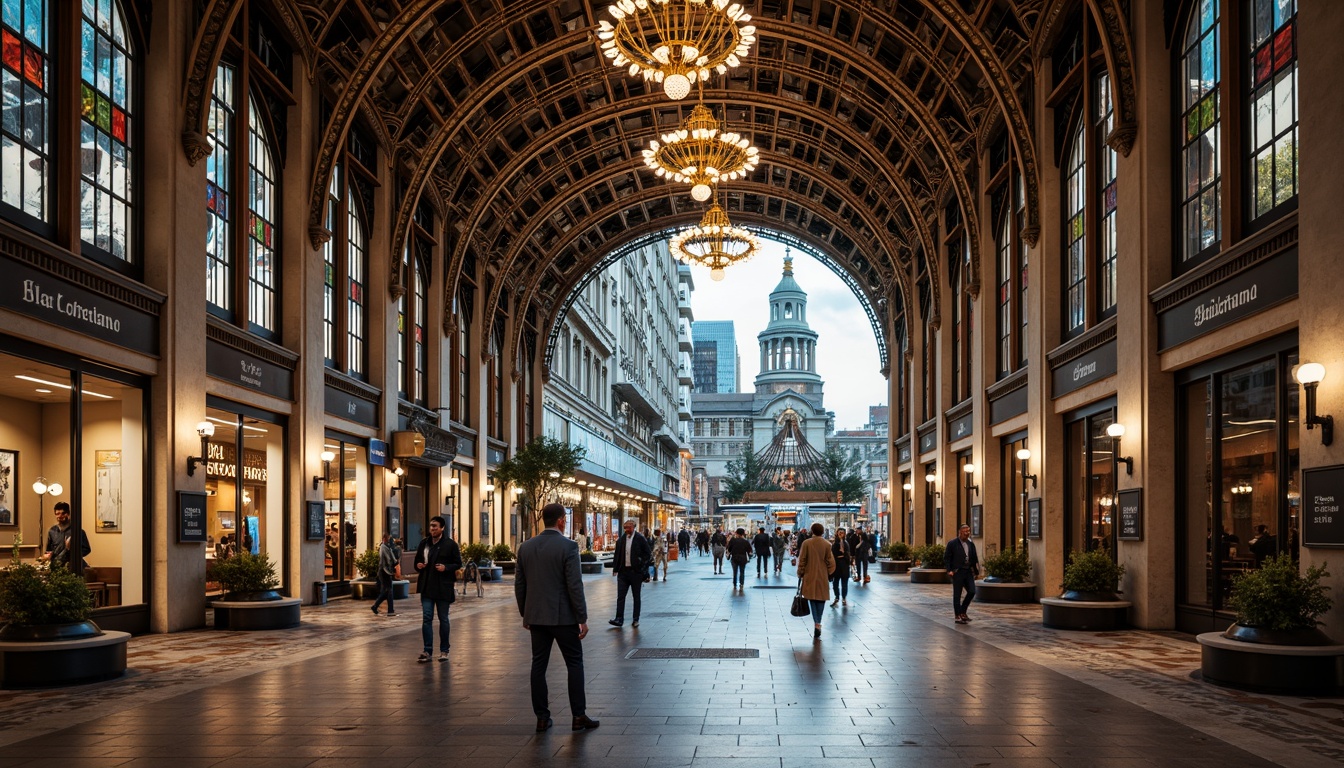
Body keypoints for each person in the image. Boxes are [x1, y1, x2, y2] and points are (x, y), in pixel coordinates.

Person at [515, 502, 600, 733]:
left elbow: (520, 585)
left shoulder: (525, 547)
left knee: (538, 666)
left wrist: (526, 614)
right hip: (564, 618)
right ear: (562, 520)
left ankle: (542, 718)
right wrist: (582, 617)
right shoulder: (568, 546)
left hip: (537, 618)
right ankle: (578, 716)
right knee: (574, 663)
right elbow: (575, 585)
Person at [413, 515, 463, 662]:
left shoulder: (450, 545)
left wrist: (446, 567)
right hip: (427, 587)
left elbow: (458, 563)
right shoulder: (424, 543)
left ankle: (444, 650)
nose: (432, 529)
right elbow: (417, 561)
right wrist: (419, 565)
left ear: (442, 528)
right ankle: (427, 651)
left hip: (443, 587)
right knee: (427, 618)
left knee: (443, 619)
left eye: (435, 526)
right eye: (431, 526)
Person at [796, 522, 835, 639]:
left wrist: (800, 572)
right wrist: (830, 573)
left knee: (812, 598)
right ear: (822, 531)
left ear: (812, 531)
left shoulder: (806, 543)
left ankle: (816, 623)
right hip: (822, 575)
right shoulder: (827, 544)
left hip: (809, 574)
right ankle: (819, 622)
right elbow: (831, 562)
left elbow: (802, 559)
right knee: (821, 598)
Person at [609, 519, 649, 628]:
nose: (626, 530)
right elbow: (617, 554)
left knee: (636, 596)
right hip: (623, 572)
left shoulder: (640, 539)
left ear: (634, 527)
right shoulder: (621, 540)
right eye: (625, 527)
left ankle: (636, 619)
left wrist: (641, 566)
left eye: (629, 527)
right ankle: (619, 619)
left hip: (635, 572)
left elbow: (647, 554)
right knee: (620, 596)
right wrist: (615, 568)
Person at [945, 523, 980, 624]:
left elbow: (974, 558)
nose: (967, 533)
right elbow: (947, 558)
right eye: (965, 532)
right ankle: (957, 615)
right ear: (959, 532)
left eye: (968, 531)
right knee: (957, 594)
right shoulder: (952, 543)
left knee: (972, 591)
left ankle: (963, 611)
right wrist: (949, 570)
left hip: (968, 571)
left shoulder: (970, 543)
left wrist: (976, 571)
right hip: (957, 572)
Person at [44, 501, 91, 569]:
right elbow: (48, 550)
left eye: (63, 513)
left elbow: (87, 549)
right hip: (57, 567)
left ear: (68, 514)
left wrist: (72, 553)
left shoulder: (77, 531)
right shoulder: (52, 531)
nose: (60, 516)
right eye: (57, 514)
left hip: (72, 566)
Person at [371, 531, 400, 616]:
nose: (389, 540)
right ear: (384, 539)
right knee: (388, 590)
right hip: (384, 571)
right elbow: (388, 559)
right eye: (388, 538)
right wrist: (393, 566)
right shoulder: (383, 547)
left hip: (386, 571)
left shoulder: (386, 547)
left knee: (387, 591)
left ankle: (379, 607)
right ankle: (388, 609)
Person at [830, 527, 852, 606]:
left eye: (842, 533)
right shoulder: (835, 543)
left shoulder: (846, 543)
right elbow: (832, 554)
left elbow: (848, 554)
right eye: (839, 533)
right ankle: (837, 597)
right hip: (837, 565)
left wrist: (844, 553)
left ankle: (844, 597)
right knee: (835, 583)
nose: (841, 534)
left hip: (844, 566)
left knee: (844, 583)